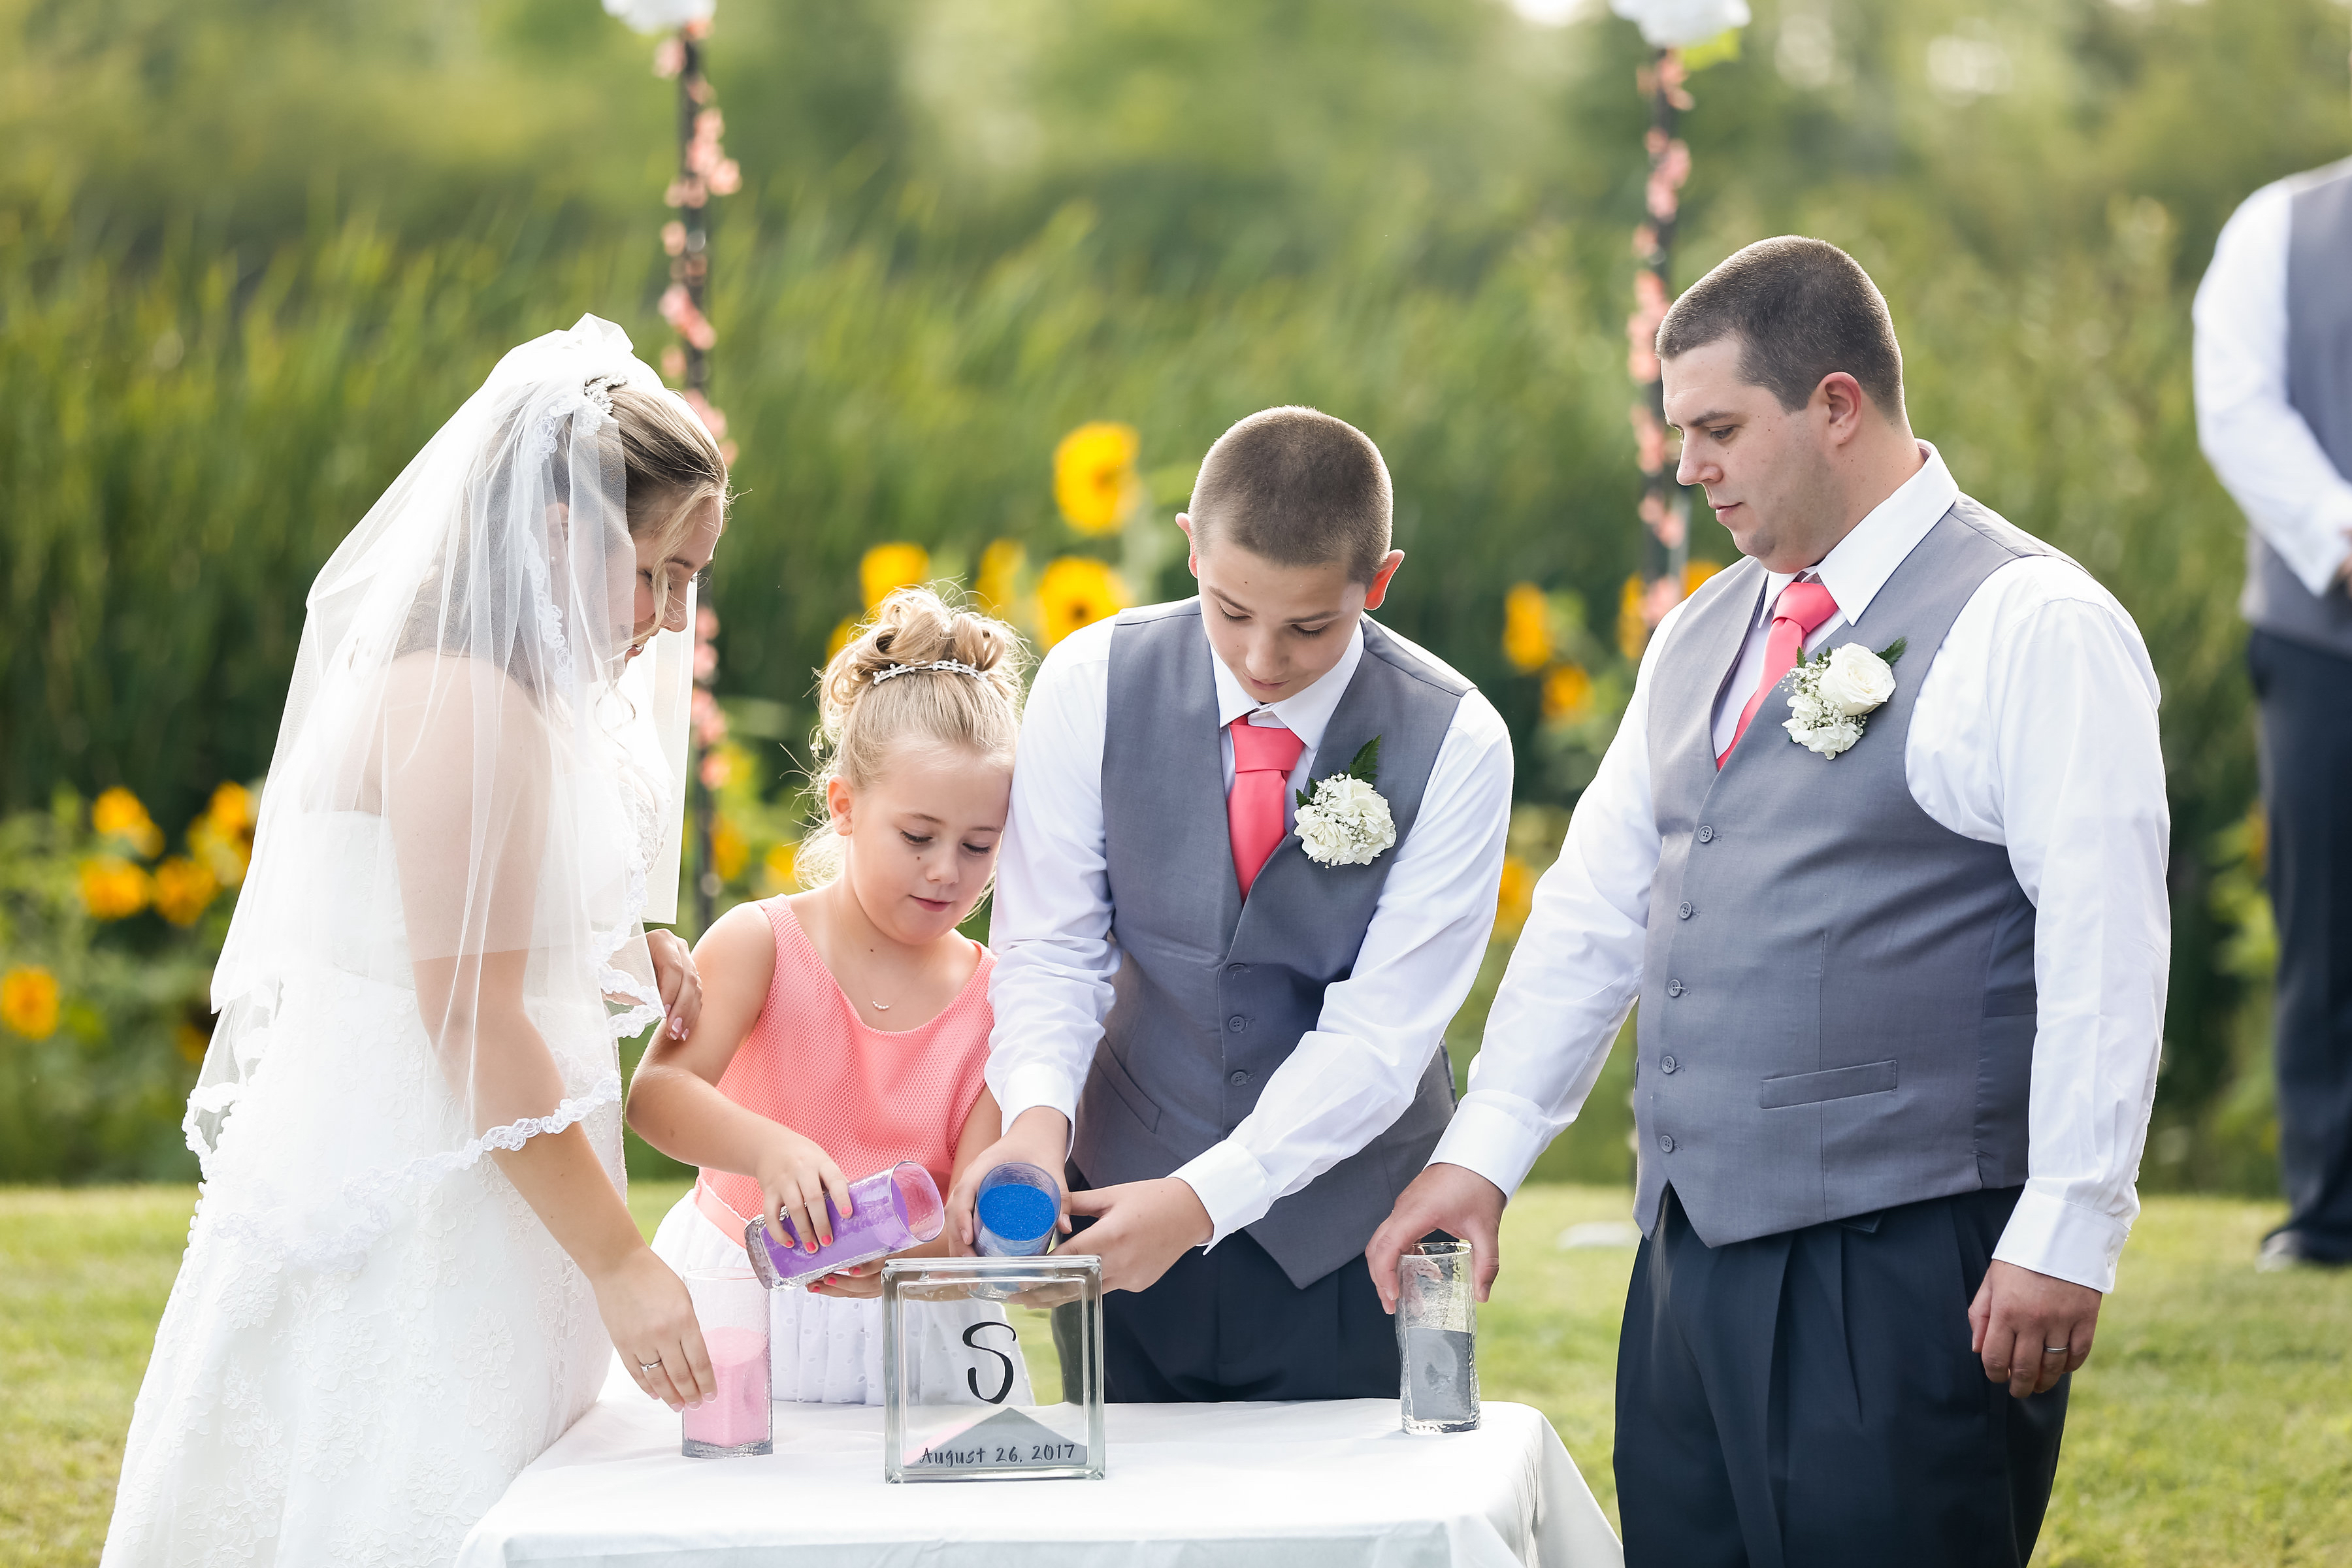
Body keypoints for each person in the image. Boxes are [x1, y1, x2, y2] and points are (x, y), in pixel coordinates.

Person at [1369, 238, 2170, 1565]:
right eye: (1681, 432)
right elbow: (1596, 911)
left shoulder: (2031, 621)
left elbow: (2108, 938)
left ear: (1838, 405)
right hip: (1690, 1260)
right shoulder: (1700, 630)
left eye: (1721, 429)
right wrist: (1482, 1155)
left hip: (1907, 1263)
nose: (1691, 468)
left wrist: (2071, 1228)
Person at [106, 317, 728, 1567]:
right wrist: (620, 1262)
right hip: (421, 1181)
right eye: (655, 571)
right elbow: (465, 1019)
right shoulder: (466, 704)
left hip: (497, 1166)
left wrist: (622, 942)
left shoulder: (520, 695)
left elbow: (464, 935)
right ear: (560, 533)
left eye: (687, 581)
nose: (667, 617)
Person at [953, 406, 1514, 1402]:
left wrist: (1203, 1202)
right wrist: (1038, 1121)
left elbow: (1384, 1035)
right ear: (1189, 549)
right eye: (1229, 609)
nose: (1262, 659)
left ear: (1379, 581)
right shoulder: (1091, 680)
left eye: (1310, 625)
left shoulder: (1462, 738)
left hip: (1367, 1235)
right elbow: (1052, 949)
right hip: (1123, 1199)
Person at [627, 585, 1034, 1405]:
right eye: (917, 837)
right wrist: (768, 1150)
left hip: (918, 1333)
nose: (947, 870)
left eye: (979, 844)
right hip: (743, 1309)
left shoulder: (1000, 999)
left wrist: (918, 1260)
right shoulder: (760, 943)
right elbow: (656, 1096)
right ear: (845, 806)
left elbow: (974, 1220)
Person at [2195, 156, 2352, 1271]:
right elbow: (2238, 405)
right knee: (2328, 918)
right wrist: (2341, 534)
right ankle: (2331, 1210)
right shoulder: (2279, 228)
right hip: (2322, 628)